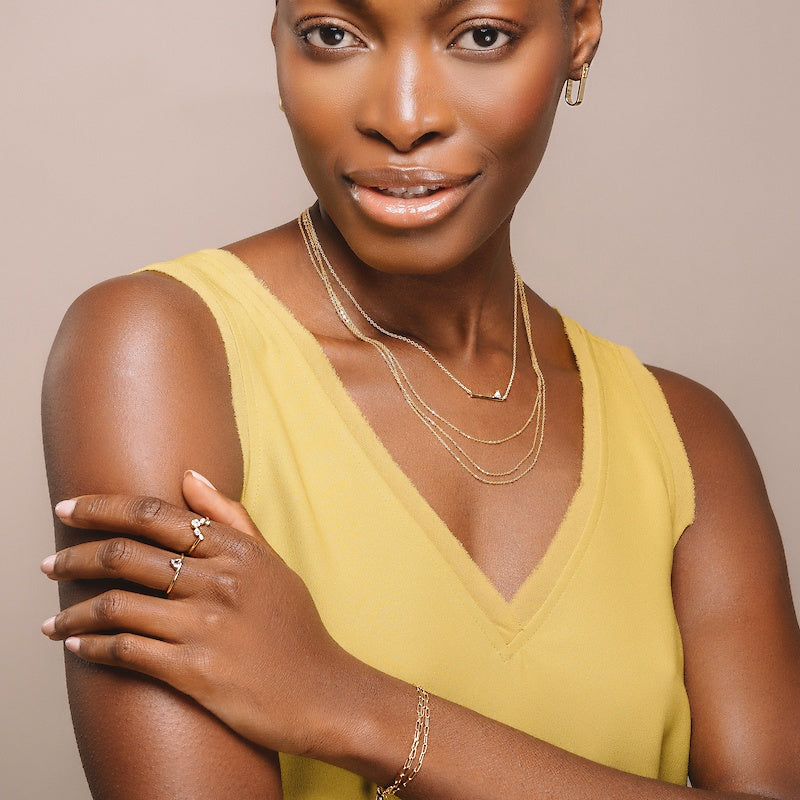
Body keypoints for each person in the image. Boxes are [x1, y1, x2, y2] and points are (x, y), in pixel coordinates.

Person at [40, 1, 800, 798]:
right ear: (278, 39)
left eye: (481, 36)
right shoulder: (159, 348)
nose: (402, 120)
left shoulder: (686, 440)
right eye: (333, 35)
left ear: (579, 33)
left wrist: (355, 709)